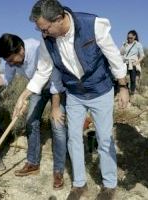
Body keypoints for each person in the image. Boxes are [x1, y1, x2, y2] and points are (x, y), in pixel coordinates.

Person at [13, 1, 129, 199]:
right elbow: (43, 71)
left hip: (100, 90)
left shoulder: (93, 24)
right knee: (73, 138)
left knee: (104, 138)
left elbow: (113, 56)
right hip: (75, 94)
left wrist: (123, 86)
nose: (43, 32)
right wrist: (24, 95)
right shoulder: (47, 40)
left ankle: (109, 185)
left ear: (58, 19)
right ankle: (79, 184)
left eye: (45, 28)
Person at [0, 33, 67, 189]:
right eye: (7, 61)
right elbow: (6, 79)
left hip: (56, 86)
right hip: (36, 88)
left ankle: (58, 170)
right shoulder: (12, 60)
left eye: (11, 60)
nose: (11, 64)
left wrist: (54, 107)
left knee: (57, 125)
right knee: (31, 122)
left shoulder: (38, 48)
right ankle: (33, 164)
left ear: (20, 50)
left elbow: (54, 78)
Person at [120, 30, 145, 95]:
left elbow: (142, 55)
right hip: (125, 63)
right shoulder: (124, 44)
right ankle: (123, 92)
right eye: (128, 38)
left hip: (133, 63)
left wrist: (136, 62)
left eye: (131, 38)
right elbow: (121, 53)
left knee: (133, 79)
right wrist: (124, 46)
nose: (129, 39)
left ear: (134, 37)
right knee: (123, 78)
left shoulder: (138, 44)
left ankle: (132, 93)